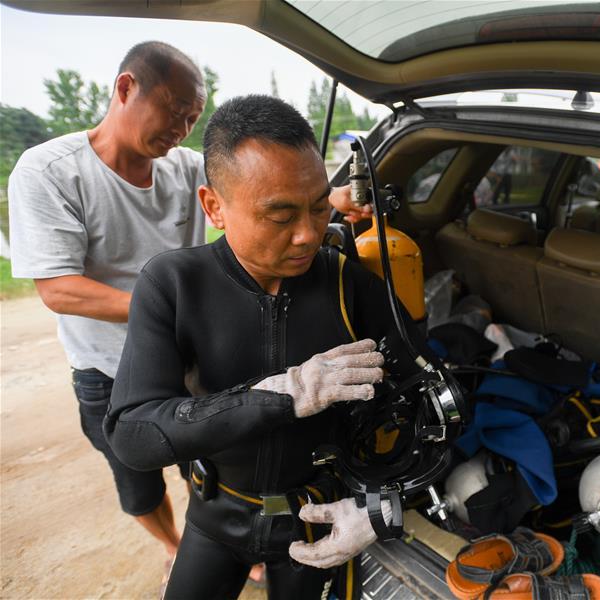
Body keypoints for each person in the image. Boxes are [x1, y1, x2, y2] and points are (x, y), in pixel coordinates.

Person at [7, 41, 366, 583]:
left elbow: (263, 185)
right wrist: (170, 309)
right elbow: (59, 290)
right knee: (140, 475)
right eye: (174, 110)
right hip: (110, 363)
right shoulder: (52, 172)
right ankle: (173, 543)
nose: (183, 127)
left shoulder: (182, 168)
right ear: (126, 88)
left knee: (210, 454)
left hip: (199, 358)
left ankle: (231, 534)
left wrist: (327, 200)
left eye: (193, 117)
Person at [105, 94, 415, 599]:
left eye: (318, 207)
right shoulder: (175, 283)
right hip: (216, 515)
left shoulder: (346, 282)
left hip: (318, 517)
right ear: (214, 206)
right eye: (279, 216)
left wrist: (383, 504)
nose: (307, 235)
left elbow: (433, 403)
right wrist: (282, 395)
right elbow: (133, 433)